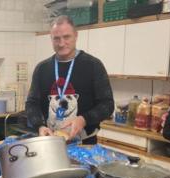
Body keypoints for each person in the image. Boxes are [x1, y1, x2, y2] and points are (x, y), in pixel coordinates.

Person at [26, 15, 114, 144]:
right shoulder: (42, 68)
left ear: (76, 36)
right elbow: (31, 103)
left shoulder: (93, 65)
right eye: (56, 38)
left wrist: (83, 119)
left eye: (66, 37)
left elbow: (107, 105)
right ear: (51, 39)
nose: (61, 43)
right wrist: (39, 126)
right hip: (50, 142)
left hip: (85, 143)